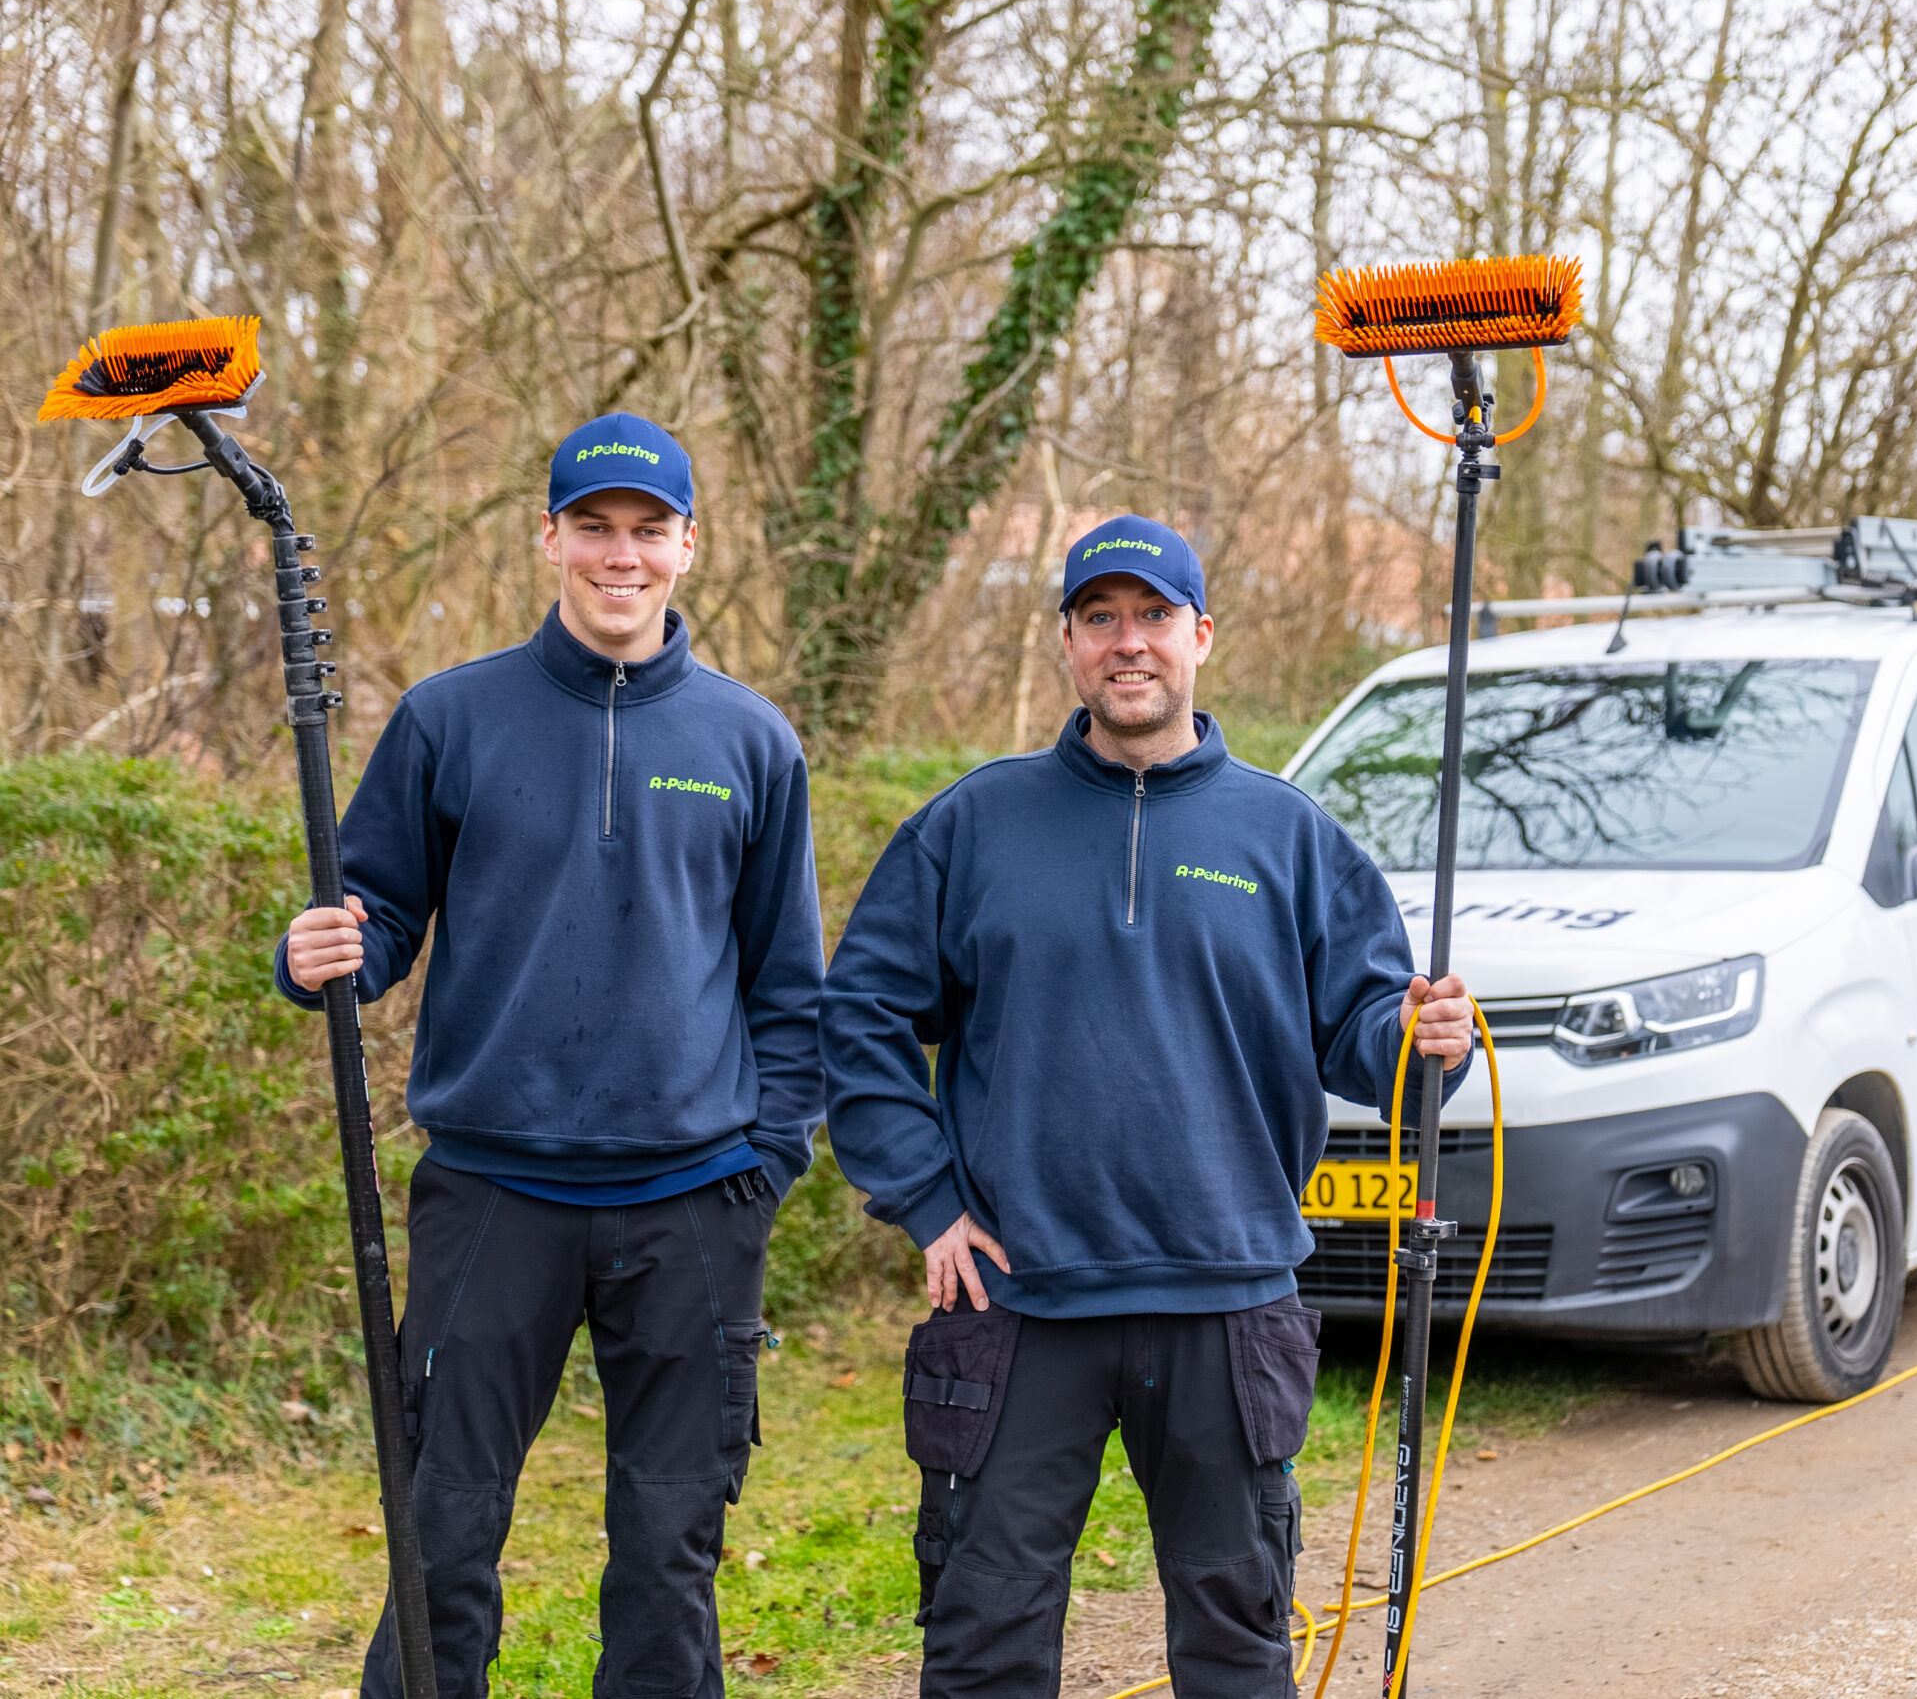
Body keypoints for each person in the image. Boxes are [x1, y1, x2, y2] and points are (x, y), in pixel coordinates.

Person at [821, 514, 1475, 1698]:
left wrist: (1424, 1047)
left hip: (1228, 1303)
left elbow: (1371, 1040)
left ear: (1200, 635)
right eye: (1100, 618)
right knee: (981, 1644)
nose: (1130, 644)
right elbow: (857, 1017)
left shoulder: (1290, 838)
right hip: (1018, 1300)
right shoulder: (971, 826)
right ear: (1067, 643)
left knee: (1236, 1646)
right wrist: (923, 1200)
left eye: (1154, 617)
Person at [277, 413, 824, 1699]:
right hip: (491, 1197)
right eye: (593, 528)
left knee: (665, 1547)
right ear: (550, 538)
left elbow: (788, 986)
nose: (618, 557)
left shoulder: (752, 742)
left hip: (693, 1203)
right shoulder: (449, 719)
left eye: (646, 532)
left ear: (689, 546)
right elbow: (375, 919)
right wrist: (323, 954)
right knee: (445, 1530)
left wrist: (768, 1162)